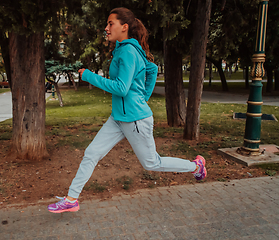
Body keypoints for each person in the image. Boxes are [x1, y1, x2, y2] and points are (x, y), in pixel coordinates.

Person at [48, 7, 207, 213]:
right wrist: (141, 97)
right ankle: (71, 199)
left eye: (110, 23)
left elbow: (122, 88)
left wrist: (89, 76)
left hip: (135, 121)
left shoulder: (129, 51)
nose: (106, 28)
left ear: (124, 27)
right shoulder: (124, 49)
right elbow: (151, 69)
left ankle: (196, 166)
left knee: (152, 163)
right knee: (91, 153)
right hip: (118, 118)